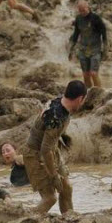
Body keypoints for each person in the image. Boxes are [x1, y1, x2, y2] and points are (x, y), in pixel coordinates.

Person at [24, 80, 87, 214]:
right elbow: (45, 150)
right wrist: (53, 175)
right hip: (35, 155)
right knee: (50, 198)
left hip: (51, 151)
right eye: (83, 101)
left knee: (66, 188)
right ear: (80, 99)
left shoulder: (61, 101)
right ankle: (23, 219)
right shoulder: (56, 117)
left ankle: (70, 220)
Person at [68, 0, 108, 89]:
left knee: (94, 73)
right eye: (80, 10)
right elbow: (76, 34)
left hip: (95, 49)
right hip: (83, 49)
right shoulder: (78, 19)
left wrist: (105, 49)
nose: (82, 12)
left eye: (84, 10)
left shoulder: (96, 18)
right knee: (85, 74)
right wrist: (71, 49)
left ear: (88, 7)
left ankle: (99, 92)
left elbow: (104, 33)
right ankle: (88, 92)